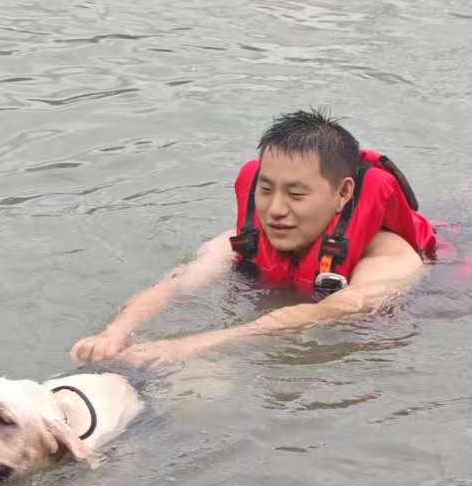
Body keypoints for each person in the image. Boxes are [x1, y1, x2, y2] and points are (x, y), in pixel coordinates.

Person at [71, 109, 436, 368]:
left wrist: (194, 345)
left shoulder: (391, 257)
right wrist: (115, 332)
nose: (275, 210)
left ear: (343, 193)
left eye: (295, 195)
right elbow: (178, 285)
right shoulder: (238, 241)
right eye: (265, 189)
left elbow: (335, 309)